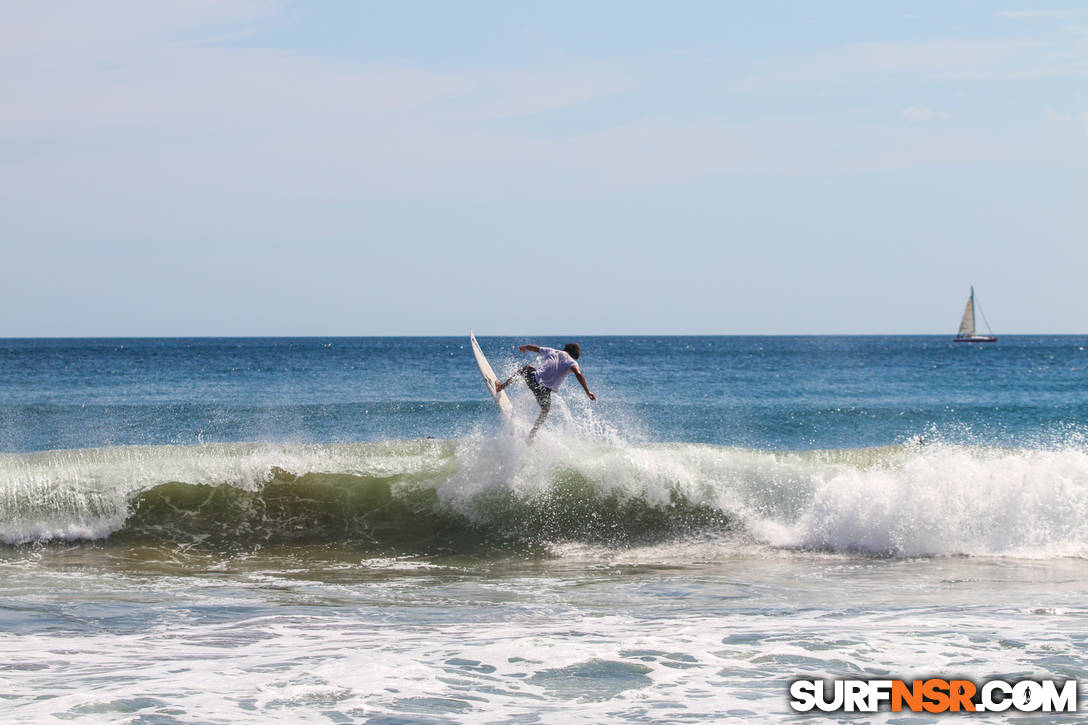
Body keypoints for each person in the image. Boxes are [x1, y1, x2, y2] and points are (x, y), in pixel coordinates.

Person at [495, 343, 596, 440]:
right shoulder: (572, 363)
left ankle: (501, 386)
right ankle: (531, 435)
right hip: (544, 391)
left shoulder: (553, 351)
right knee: (545, 410)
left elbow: (533, 348)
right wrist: (587, 391)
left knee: (526, 368)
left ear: (565, 349)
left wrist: (524, 347)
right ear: (574, 356)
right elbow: (579, 374)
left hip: (533, 380)